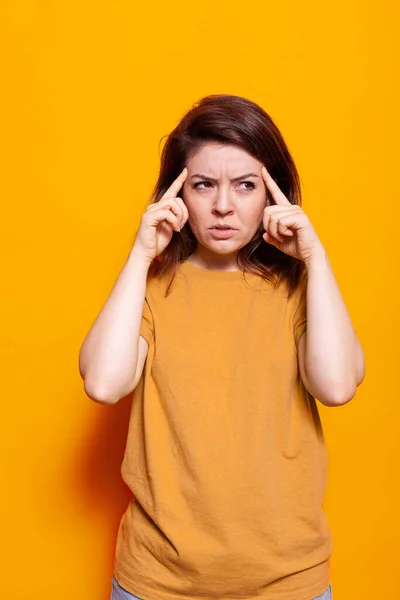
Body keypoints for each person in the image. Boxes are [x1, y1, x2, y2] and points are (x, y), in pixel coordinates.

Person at [79, 94, 365, 600]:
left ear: (273, 194)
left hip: (288, 584)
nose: (224, 206)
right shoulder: (150, 288)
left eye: (246, 185)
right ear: (177, 195)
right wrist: (141, 254)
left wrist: (315, 258)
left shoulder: (299, 288)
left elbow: (338, 386)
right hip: (158, 584)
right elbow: (103, 383)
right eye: (204, 185)